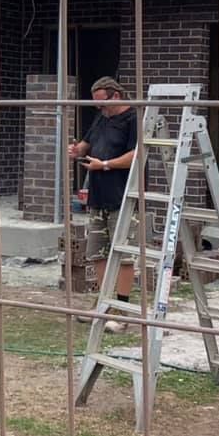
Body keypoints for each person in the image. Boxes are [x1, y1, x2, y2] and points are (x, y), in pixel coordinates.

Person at [68, 76, 138, 331]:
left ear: (116, 96)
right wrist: (75, 150)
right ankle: (104, 305)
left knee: (124, 255)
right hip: (98, 195)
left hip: (124, 197)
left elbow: (136, 156)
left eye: (102, 103)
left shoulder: (133, 119)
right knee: (97, 252)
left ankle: (123, 311)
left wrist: (105, 165)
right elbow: (86, 145)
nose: (99, 108)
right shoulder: (102, 118)